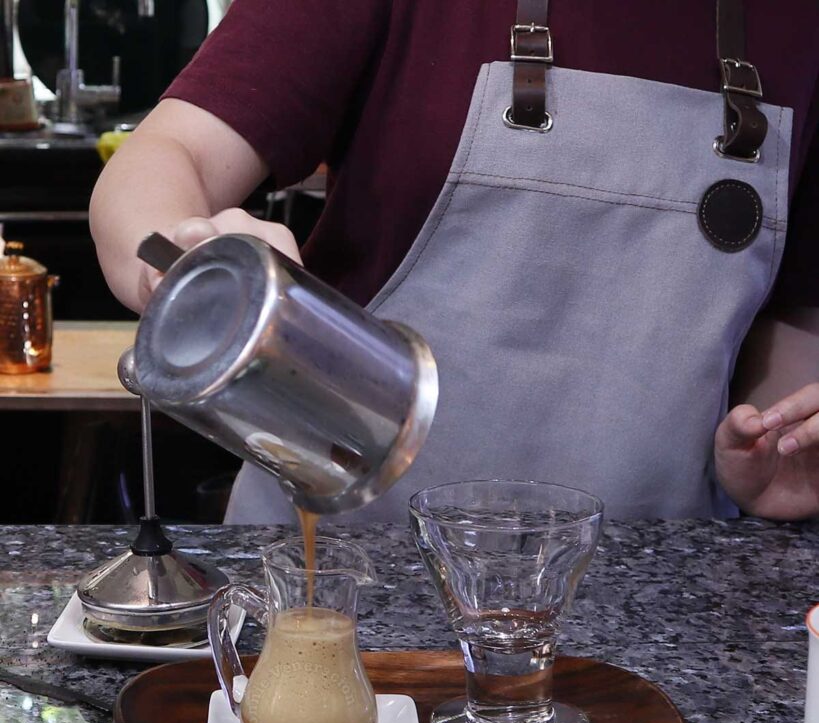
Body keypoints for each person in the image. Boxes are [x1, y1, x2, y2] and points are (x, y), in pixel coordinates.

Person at [89, 0, 819, 524]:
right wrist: (192, 263)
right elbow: (163, 158)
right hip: (348, 575)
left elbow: (788, 312)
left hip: (655, 591)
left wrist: (777, 451)